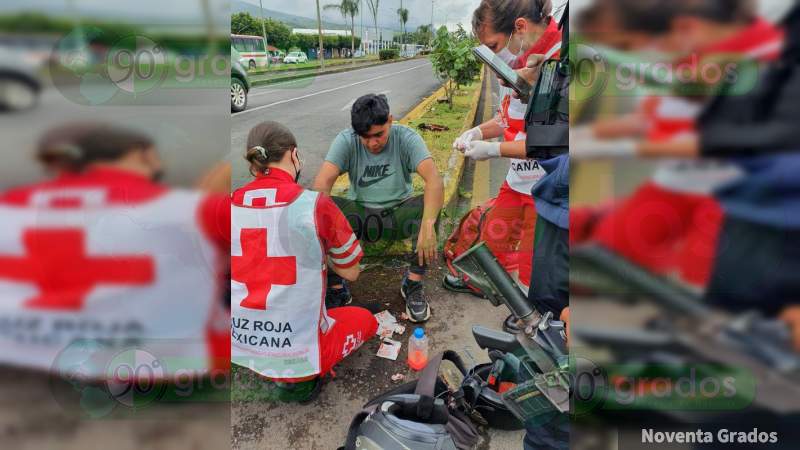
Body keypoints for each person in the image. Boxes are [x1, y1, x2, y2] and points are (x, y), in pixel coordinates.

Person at [570, 0, 784, 288]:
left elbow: (724, 141)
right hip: (677, 184)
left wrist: (620, 148)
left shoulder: (763, 59)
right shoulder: (689, 59)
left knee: (696, 287)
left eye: (628, 46)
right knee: (598, 263)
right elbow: (652, 117)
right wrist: (587, 135)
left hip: (732, 196)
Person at [0, 122, 230, 375]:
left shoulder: (7, 206)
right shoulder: (188, 209)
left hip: (24, 350)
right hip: (169, 365)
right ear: (143, 154)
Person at [231, 121, 378, 395]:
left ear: (254, 163)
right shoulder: (314, 205)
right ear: (293, 155)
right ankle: (305, 379)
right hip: (300, 353)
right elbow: (352, 272)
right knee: (366, 320)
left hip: (241, 343)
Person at [445, 0, 560, 298]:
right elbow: (506, 117)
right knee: (492, 241)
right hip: (516, 180)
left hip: (545, 188)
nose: (495, 56)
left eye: (494, 46)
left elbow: (553, 142)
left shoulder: (560, 61)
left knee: (532, 268)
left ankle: (530, 320)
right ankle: (496, 290)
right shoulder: (520, 62)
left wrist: (493, 150)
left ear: (519, 27)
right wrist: (477, 132)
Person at [313, 94, 444, 323]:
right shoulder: (346, 140)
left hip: (398, 214)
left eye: (378, 135)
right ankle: (336, 286)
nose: (372, 143)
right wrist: (321, 228)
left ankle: (412, 284)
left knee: (430, 208)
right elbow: (322, 183)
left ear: (390, 121)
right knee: (322, 208)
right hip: (361, 216)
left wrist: (428, 224)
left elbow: (434, 180)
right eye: (365, 137)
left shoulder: (406, 138)